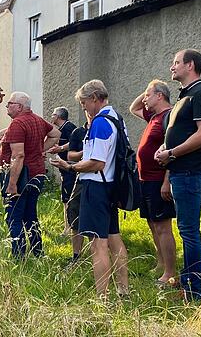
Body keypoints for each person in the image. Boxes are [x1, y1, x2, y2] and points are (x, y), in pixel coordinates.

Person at [50, 80, 129, 299]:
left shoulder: (100, 122)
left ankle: (101, 297)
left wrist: (70, 166)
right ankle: (123, 290)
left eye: (84, 103)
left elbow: (96, 162)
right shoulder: (117, 119)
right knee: (114, 239)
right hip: (112, 185)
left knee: (98, 244)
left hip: (96, 186)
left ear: (95, 97)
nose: (83, 108)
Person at [155, 49, 201, 301]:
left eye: (176, 62)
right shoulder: (185, 96)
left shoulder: (200, 93)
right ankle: (188, 286)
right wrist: (164, 150)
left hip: (190, 172)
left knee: (190, 232)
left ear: (190, 65)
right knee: (185, 230)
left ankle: (193, 292)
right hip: (180, 172)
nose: (172, 67)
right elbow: (178, 132)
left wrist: (172, 153)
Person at [0, 92, 61, 258]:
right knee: (30, 215)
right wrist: (41, 149)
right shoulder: (37, 119)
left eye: (9, 103)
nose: (7, 106)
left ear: (19, 106)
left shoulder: (18, 124)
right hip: (37, 174)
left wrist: (12, 184)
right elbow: (56, 134)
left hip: (21, 177)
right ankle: (38, 251)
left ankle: (19, 255)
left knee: (14, 216)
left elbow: (18, 156)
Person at [129, 80, 177, 287]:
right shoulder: (153, 116)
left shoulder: (169, 117)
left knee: (163, 226)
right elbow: (134, 108)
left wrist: (167, 181)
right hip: (145, 179)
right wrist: (148, 89)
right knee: (152, 224)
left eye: (149, 95)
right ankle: (161, 263)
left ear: (160, 96)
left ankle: (170, 273)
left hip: (159, 180)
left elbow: (174, 152)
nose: (144, 99)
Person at [64, 112, 89, 266]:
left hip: (101, 179)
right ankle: (76, 255)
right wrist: (84, 152)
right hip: (81, 177)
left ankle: (101, 253)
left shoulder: (103, 128)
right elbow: (70, 155)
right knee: (74, 212)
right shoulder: (78, 132)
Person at [47, 107, 77, 235]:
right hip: (64, 168)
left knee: (68, 198)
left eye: (53, 114)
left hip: (70, 168)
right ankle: (68, 225)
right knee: (65, 198)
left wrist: (60, 148)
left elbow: (74, 142)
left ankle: (69, 228)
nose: (51, 117)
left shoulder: (69, 127)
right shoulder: (61, 129)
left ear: (58, 116)